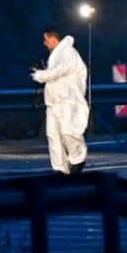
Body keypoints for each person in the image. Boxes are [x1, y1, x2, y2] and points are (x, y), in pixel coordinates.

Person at [31, 27, 89, 175]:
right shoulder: (55, 56)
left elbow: (61, 70)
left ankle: (77, 159)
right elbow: (57, 75)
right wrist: (44, 71)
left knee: (69, 132)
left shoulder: (68, 52)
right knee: (53, 136)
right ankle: (59, 168)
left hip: (69, 101)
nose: (44, 43)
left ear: (53, 38)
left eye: (46, 39)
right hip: (54, 104)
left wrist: (41, 75)